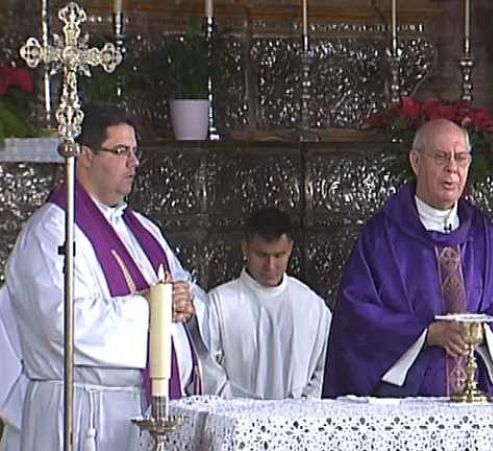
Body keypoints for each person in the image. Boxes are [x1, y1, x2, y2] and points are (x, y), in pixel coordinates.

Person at [0, 105, 209, 451]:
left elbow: (190, 294)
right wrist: (151, 307)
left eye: (135, 152)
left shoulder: (143, 230)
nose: (134, 162)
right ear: (85, 156)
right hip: (84, 413)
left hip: (147, 410)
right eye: (120, 151)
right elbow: (68, 324)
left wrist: (188, 305)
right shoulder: (53, 231)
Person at [322, 118, 493, 398]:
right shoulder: (382, 238)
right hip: (406, 404)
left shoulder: (486, 236)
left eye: (460, 158)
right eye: (440, 157)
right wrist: (426, 334)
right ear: (415, 161)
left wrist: (482, 333)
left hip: (479, 402)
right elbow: (357, 317)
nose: (452, 168)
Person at [201, 208, 331, 399]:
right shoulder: (219, 304)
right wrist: (242, 409)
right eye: (261, 255)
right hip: (238, 419)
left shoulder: (312, 306)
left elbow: (326, 368)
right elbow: (207, 369)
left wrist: (304, 407)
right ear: (245, 249)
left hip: (298, 420)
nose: (270, 266)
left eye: (279, 256)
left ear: (291, 249)